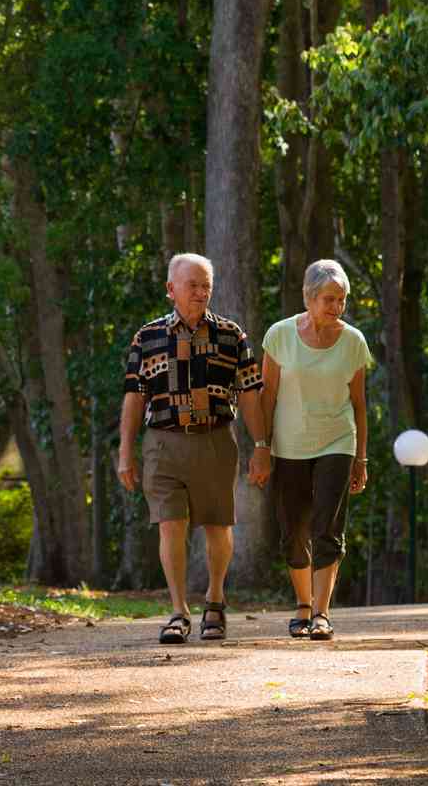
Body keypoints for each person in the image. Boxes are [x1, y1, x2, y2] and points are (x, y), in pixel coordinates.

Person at [117, 253, 270, 644]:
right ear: (171, 290)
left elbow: (251, 393)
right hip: (163, 443)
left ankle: (215, 600)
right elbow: (134, 397)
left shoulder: (231, 335)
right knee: (170, 523)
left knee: (218, 525)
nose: (201, 293)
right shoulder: (147, 338)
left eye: (206, 286)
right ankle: (178, 611)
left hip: (216, 440)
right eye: (193, 285)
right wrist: (125, 453)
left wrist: (262, 445)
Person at [260, 259, 372, 641]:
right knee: (293, 531)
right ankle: (303, 605)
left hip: (337, 441)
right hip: (288, 444)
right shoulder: (279, 336)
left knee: (327, 526)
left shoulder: (354, 341)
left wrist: (361, 458)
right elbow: (267, 394)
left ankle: (322, 613)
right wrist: (261, 445)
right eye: (328, 299)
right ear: (308, 297)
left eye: (341, 300)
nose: (336, 307)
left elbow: (358, 403)